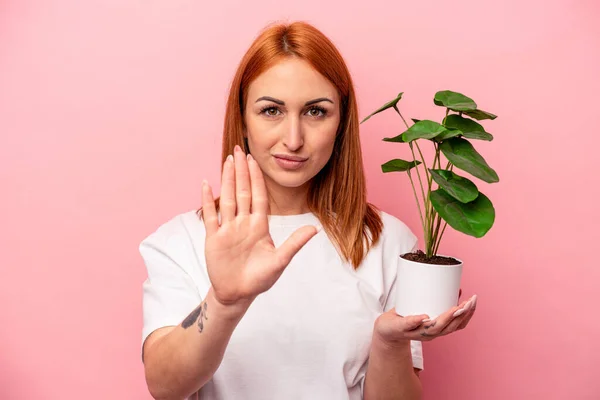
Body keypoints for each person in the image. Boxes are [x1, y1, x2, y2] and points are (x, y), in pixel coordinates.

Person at [139, 21, 477, 400]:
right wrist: (224, 303)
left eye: (316, 111)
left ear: (341, 123)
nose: (294, 139)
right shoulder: (180, 241)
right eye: (271, 110)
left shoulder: (388, 241)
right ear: (243, 121)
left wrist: (387, 343)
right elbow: (164, 386)